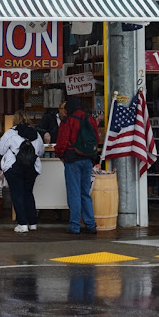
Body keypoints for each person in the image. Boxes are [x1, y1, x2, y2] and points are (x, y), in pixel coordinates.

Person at [55, 97, 99, 235]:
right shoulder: (90, 119)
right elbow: (96, 139)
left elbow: (62, 142)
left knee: (74, 193)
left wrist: (60, 155)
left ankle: (75, 226)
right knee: (85, 193)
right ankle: (90, 224)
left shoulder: (68, 121)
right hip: (87, 159)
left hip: (72, 160)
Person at [0, 110, 45, 233]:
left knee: (17, 194)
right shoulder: (36, 133)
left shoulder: (10, 133)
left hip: (14, 167)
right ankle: (33, 223)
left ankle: (22, 224)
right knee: (28, 193)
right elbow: (40, 151)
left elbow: (1, 149)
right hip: (32, 167)